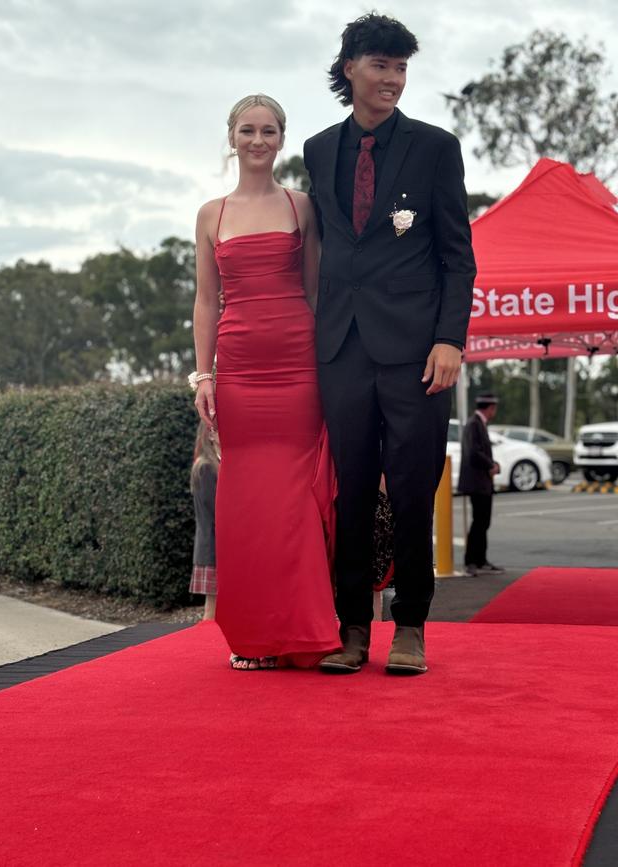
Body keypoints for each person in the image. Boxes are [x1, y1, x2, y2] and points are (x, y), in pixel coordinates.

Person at [303, 13, 476, 675]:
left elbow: (458, 257)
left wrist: (449, 339)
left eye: (402, 68)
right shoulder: (319, 150)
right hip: (341, 346)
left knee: (409, 488)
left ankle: (411, 625)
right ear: (350, 67)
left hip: (416, 354)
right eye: (381, 66)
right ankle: (350, 626)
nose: (393, 80)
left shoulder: (435, 148)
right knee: (349, 491)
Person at [190, 94, 341, 670]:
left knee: (296, 500)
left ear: (281, 139)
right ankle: (254, 635)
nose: (258, 140)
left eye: (269, 130)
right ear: (232, 137)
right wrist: (205, 374)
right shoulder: (211, 214)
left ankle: (303, 628)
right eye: (248, 130)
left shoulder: (302, 206)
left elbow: (315, 293)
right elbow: (206, 300)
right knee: (244, 499)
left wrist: (330, 365)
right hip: (240, 371)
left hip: (298, 364)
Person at [458, 394, 505, 576]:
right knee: (479, 522)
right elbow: (473, 453)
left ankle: (480, 560)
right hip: (477, 482)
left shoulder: (478, 424)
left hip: (482, 482)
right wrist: (491, 465)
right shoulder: (473, 424)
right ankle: (471, 561)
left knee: (482, 522)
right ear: (490, 407)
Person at [189, 421, 220, 621]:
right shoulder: (206, 467)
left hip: (218, 545)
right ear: (210, 434)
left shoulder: (217, 463)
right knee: (212, 609)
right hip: (213, 547)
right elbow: (215, 509)